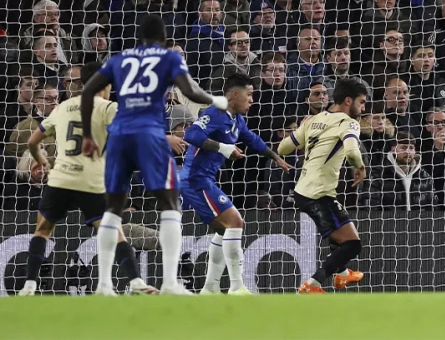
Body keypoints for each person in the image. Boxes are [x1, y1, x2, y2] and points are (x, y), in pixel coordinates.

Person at [79, 15, 229, 296]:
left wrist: (88, 135)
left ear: (139, 38)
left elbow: (87, 90)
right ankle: (170, 283)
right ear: (163, 39)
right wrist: (215, 100)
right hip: (149, 134)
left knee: (112, 209)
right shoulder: (168, 57)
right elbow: (190, 90)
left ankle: (103, 285)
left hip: (119, 134)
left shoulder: (120, 58)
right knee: (170, 202)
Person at [17, 62, 157, 296]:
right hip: (90, 181)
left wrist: (40, 159)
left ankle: (29, 285)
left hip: (61, 179)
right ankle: (136, 282)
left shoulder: (62, 107)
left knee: (42, 231)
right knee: (114, 231)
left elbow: (32, 141)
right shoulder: (108, 107)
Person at [178, 73, 292, 295]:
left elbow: (252, 139)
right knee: (235, 222)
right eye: (249, 95)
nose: (252, 100)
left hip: (203, 179)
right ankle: (236, 286)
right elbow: (191, 134)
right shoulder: (215, 113)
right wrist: (223, 148)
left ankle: (210, 288)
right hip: (194, 179)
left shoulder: (236, 120)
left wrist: (275, 157)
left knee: (224, 230)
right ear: (235, 95)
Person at [278, 77, 369, 294]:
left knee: (341, 231)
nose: (363, 108)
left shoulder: (314, 120)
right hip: (318, 194)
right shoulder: (349, 123)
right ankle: (313, 284)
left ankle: (343, 273)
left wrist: (303, 129)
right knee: (353, 244)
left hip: (304, 190)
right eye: (362, 102)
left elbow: (282, 148)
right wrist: (360, 166)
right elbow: (352, 151)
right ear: (348, 100)